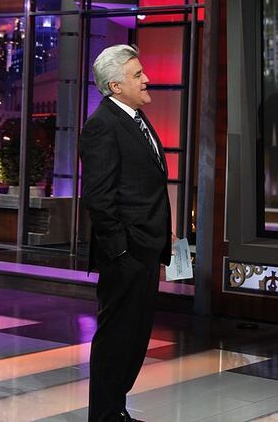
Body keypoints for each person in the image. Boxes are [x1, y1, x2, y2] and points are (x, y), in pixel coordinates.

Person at [80, 44, 171, 422]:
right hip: (127, 254)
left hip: (146, 249)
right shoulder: (103, 125)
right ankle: (104, 415)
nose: (147, 79)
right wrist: (121, 254)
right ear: (115, 85)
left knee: (134, 339)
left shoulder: (134, 117)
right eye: (137, 75)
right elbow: (99, 198)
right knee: (118, 337)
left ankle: (115, 411)